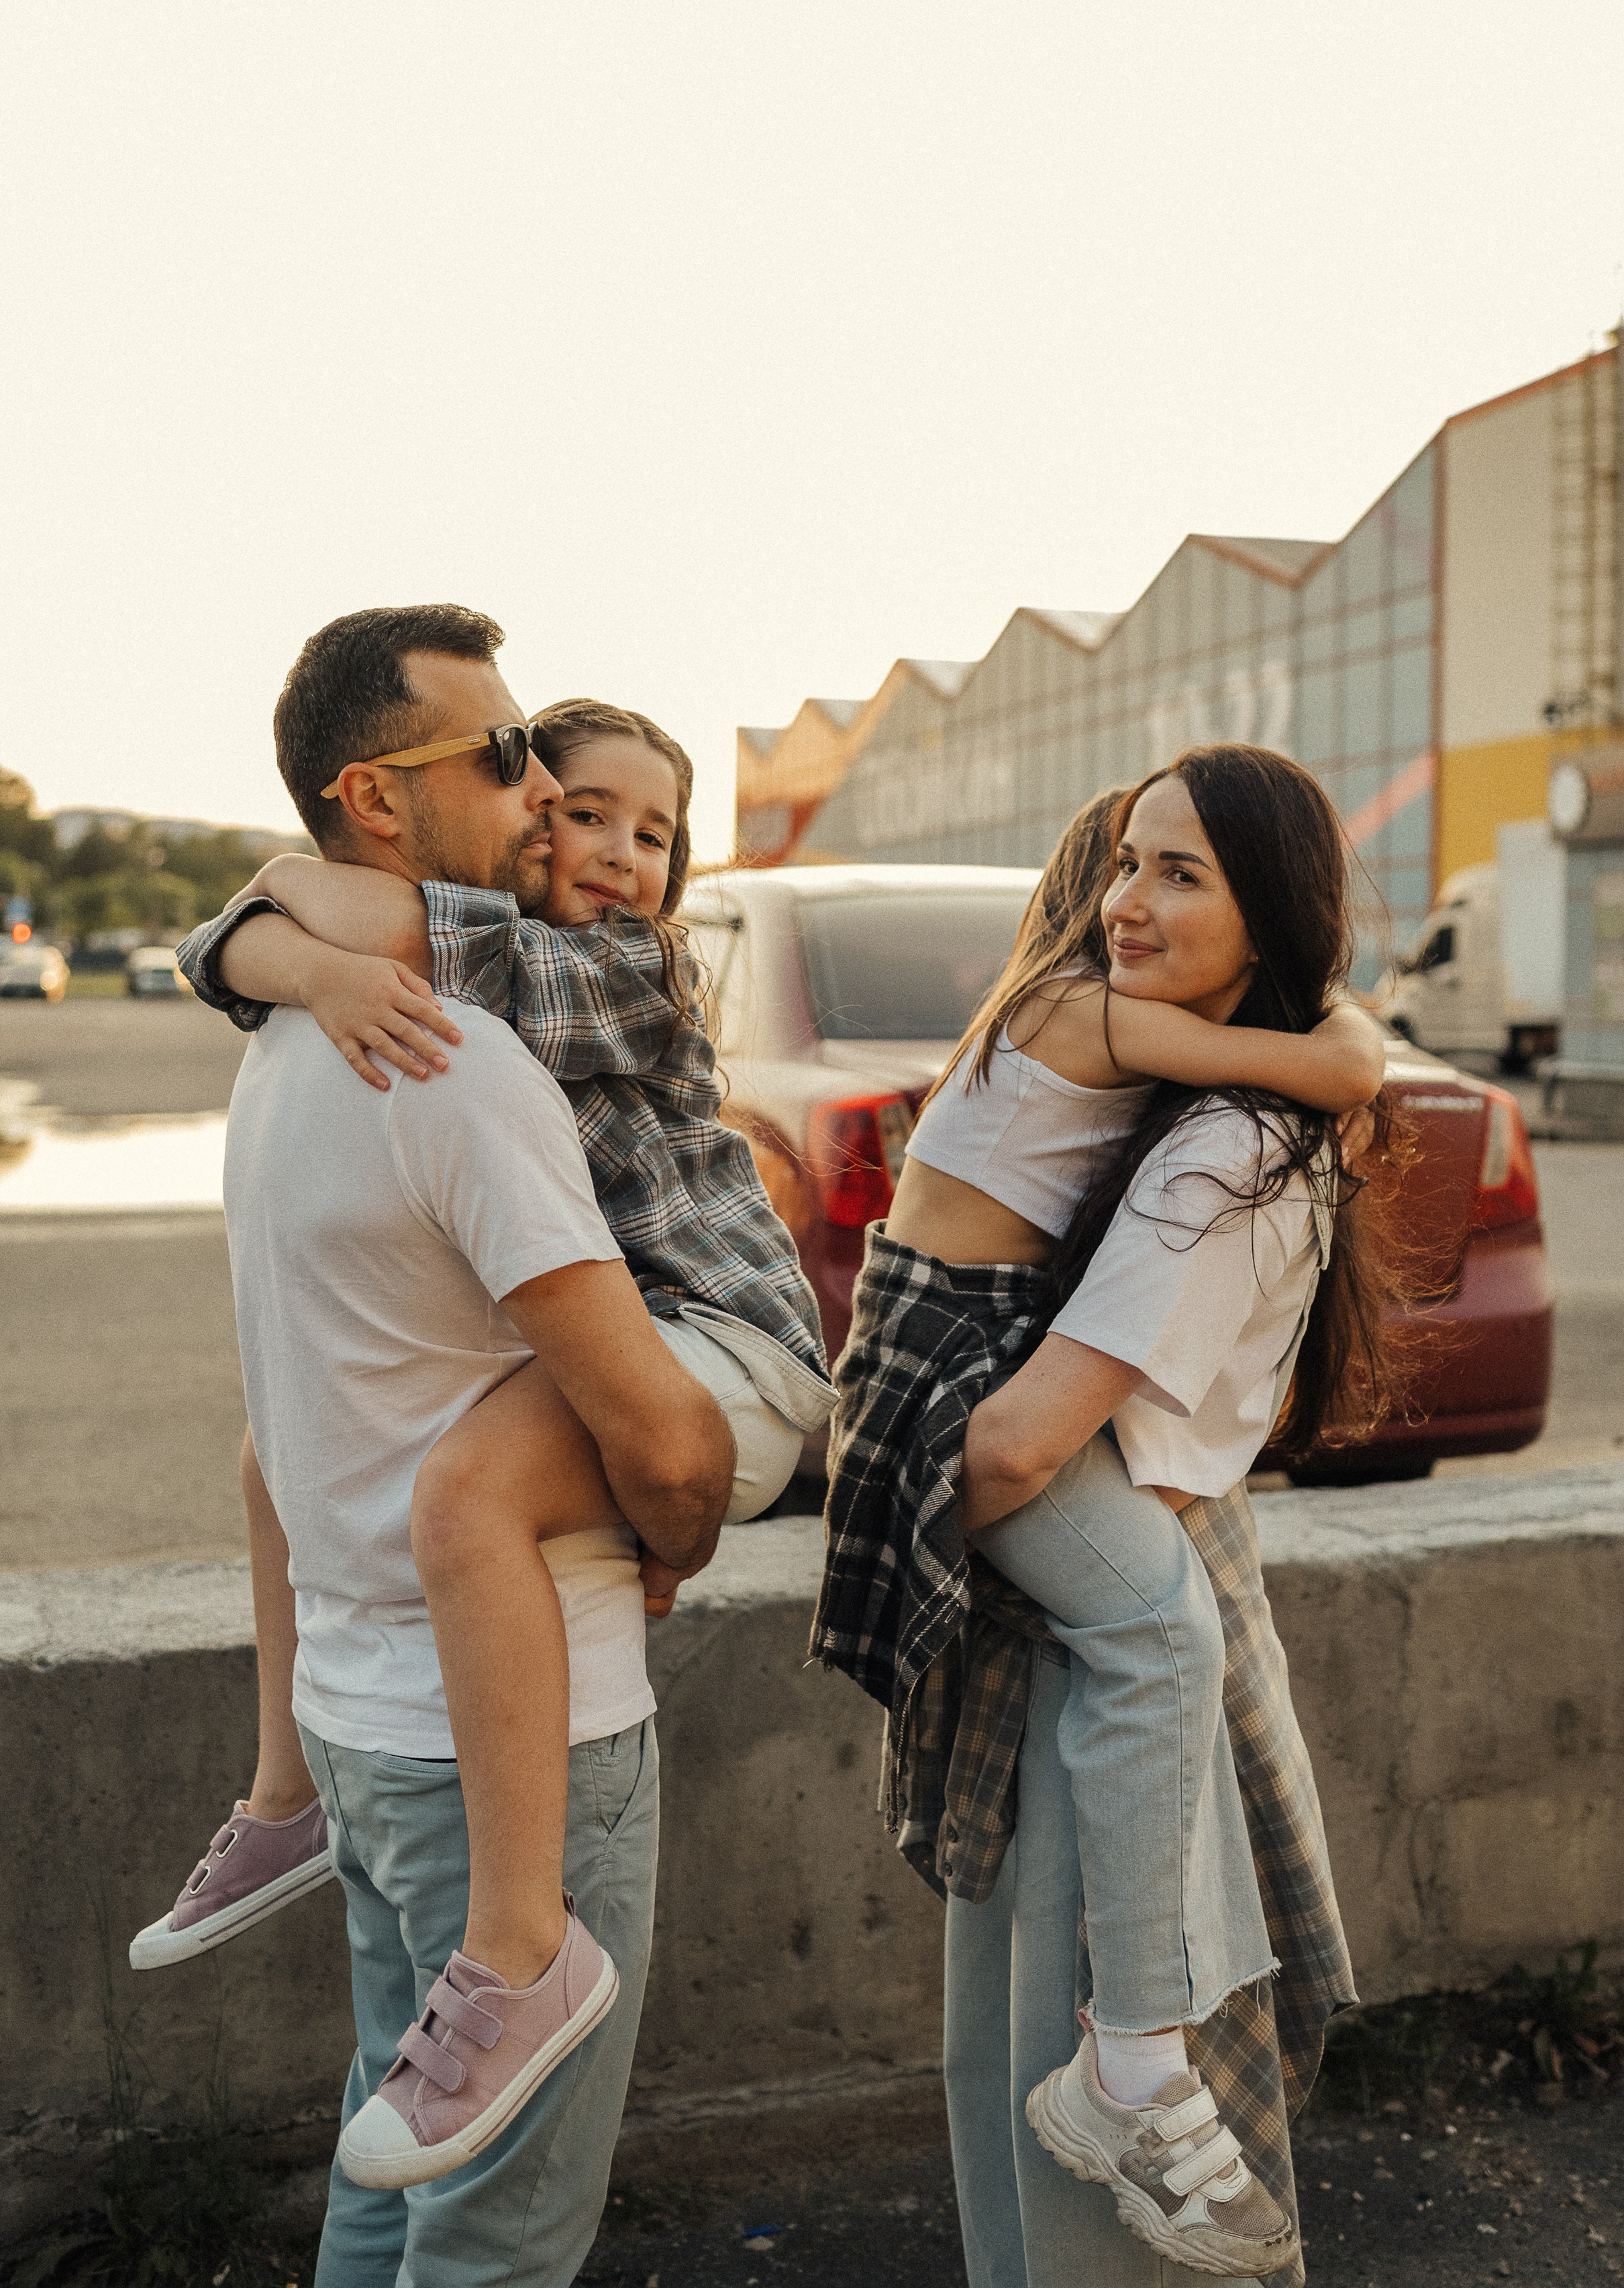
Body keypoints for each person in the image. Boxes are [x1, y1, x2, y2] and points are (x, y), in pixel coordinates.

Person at [136, 685, 833, 2195]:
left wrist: (307, 940)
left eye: (658, 833)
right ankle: (284, 1794)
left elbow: (290, 920)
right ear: (525, 821)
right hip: (637, 1344)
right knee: (273, 1448)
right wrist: (308, 960)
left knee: (467, 1493)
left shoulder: (622, 966)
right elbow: (224, 943)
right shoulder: (460, 979)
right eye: (584, 813)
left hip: (728, 1342)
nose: (623, 853)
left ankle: (525, 1946)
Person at [815, 747, 1395, 2282]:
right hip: (958, 1362)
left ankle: (1126, 2065)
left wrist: (1336, 1031)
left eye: (1176, 872)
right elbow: (1330, 1067)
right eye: (1123, 864)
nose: (1125, 901)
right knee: (1156, 1628)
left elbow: (1324, 1049)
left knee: (1151, 1634)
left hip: (966, 1347)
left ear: (1265, 907)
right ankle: (1131, 2061)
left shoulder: (1159, 1078)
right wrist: (1340, 1044)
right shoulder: (1092, 1016)